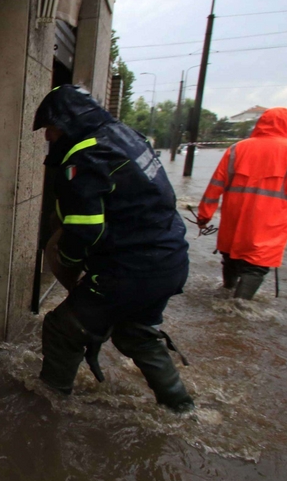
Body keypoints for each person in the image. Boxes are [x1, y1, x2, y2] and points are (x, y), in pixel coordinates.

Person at [35, 85, 194, 413]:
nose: (48, 136)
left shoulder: (86, 156)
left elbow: (85, 229)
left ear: (68, 122)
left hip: (132, 268)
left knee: (63, 327)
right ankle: (180, 407)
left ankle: (47, 405)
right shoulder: (125, 137)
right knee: (135, 333)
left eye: (50, 128)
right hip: (169, 260)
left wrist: (67, 260)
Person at [197, 107, 287, 299]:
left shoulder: (237, 149)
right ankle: (238, 307)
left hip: (234, 223)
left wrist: (204, 216)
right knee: (255, 267)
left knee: (230, 259)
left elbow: (214, 186)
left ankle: (226, 294)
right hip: (268, 227)